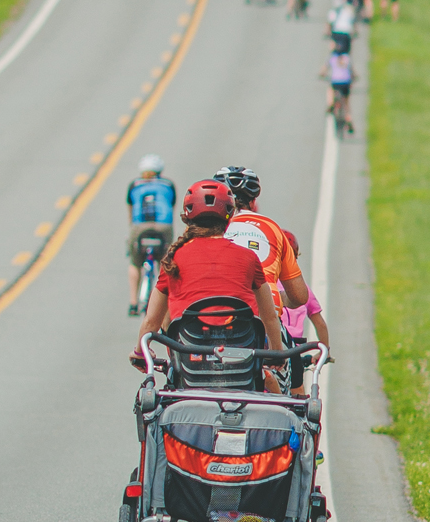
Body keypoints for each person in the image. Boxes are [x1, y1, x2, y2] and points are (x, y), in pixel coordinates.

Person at [131, 179, 283, 370]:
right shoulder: (249, 257)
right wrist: (277, 354)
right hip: (240, 363)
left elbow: (152, 320)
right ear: (229, 215)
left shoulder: (174, 257)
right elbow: (269, 316)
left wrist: (139, 353)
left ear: (188, 216)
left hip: (190, 363)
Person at [214, 166, 309, 310]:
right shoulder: (273, 228)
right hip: (264, 311)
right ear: (253, 203)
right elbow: (299, 296)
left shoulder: (203, 227)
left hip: (209, 311)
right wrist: (282, 298)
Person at [278, 230, 330, 396]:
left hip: (268, 347)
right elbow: (320, 323)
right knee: (298, 401)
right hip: (293, 352)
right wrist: (324, 351)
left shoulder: (263, 283)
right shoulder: (301, 290)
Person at [126, 153, 177, 316]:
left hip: (140, 226)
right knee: (166, 261)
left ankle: (133, 302)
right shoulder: (168, 184)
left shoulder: (134, 185)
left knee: (135, 263)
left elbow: (131, 209)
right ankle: (166, 300)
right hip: (163, 226)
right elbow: (171, 206)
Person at [324, 47, 354, 133]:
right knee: (346, 103)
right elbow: (352, 71)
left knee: (330, 89)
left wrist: (322, 74)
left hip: (335, 82)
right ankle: (349, 120)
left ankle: (331, 104)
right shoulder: (347, 58)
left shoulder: (332, 58)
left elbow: (324, 69)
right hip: (345, 83)